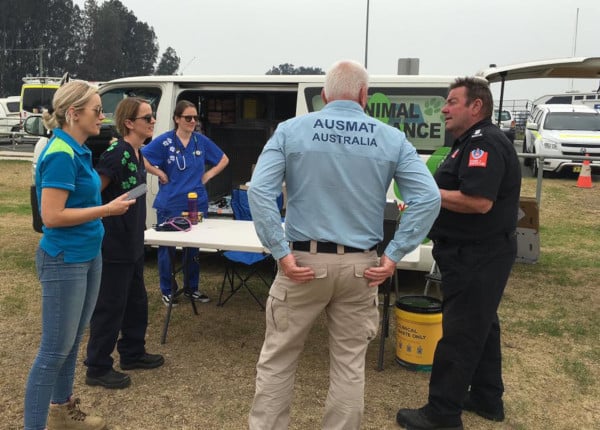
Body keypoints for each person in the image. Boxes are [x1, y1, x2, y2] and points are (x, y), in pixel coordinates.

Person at [247, 60, 441, 430]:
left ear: (324, 95)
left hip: (303, 262)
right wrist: (394, 254)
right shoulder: (391, 138)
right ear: (364, 95)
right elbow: (428, 197)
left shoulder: (291, 130)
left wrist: (280, 252)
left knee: (278, 359)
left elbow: (259, 191)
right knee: (349, 365)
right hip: (361, 268)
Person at [396, 77, 522, 430]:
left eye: (452, 102)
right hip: (473, 252)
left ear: (476, 106)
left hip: (477, 255)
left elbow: (478, 201)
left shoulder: (484, 143)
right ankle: (486, 397)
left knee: (461, 333)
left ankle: (442, 413)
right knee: (483, 325)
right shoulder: (467, 143)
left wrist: (428, 195)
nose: (444, 109)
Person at [24, 80, 135, 430]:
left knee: (71, 343)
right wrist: (106, 210)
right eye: (97, 111)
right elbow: (52, 216)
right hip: (65, 260)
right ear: (73, 113)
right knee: (53, 351)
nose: (103, 117)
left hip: (87, 255)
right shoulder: (61, 153)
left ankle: (62, 411)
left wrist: (103, 210)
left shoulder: (79, 150)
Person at [84, 97, 164, 390]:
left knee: (136, 302)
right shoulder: (116, 153)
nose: (153, 121)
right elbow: (94, 193)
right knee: (110, 306)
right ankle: (97, 366)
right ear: (129, 123)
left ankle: (132, 353)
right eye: (147, 118)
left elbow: (132, 190)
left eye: (152, 116)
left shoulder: (137, 152)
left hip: (133, 243)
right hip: (114, 244)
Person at [141, 100, 229, 306]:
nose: (192, 121)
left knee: (193, 247)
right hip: (170, 203)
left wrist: (208, 175)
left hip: (195, 203)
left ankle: (192, 288)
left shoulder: (200, 141)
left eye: (195, 118)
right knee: (167, 249)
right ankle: (168, 290)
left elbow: (224, 159)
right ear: (177, 119)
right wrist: (158, 172)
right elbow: (140, 157)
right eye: (188, 118)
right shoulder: (165, 141)